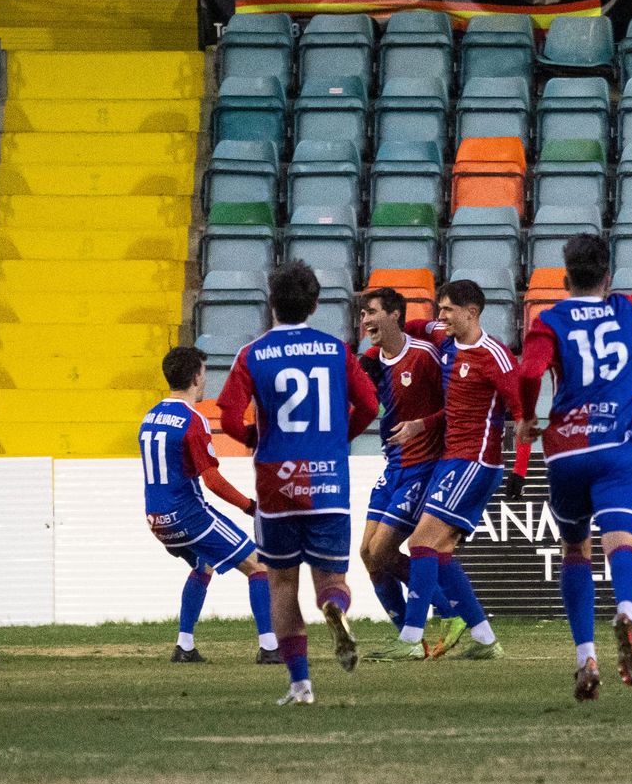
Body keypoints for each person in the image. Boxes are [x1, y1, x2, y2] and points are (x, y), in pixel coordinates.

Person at [516, 201, 632, 700]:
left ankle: (585, 657)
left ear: (566, 276)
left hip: (565, 454)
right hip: (616, 449)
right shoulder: (629, 310)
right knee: (622, 545)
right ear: (607, 275)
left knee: (575, 549)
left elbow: (529, 373)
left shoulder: (549, 320)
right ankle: (627, 612)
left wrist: (527, 418)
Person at [218, 260, 379, 704]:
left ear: (272, 303)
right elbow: (369, 405)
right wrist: (335, 439)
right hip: (329, 481)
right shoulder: (336, 351)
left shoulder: (252, 354)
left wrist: (256, 437)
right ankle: (335, 608)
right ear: (314, 304)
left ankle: (300, 684)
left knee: (281, 583)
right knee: (332, 579)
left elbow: (229, 417)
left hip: (276, 483)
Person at [367, 279, 517, 661]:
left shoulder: (495, 356)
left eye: (448, 309)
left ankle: (411, 639)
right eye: (440, 309)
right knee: (441, 551)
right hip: (451, 457)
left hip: (476, 460)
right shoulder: (444, 340)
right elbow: (417, 328)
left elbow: (523, 409)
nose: (441, 316)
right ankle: (485, 640)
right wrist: (420, 425)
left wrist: (521, 468)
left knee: (420, 543)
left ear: (472, 312)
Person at [139, 345, 279, 665]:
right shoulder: (193, 420)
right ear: (196, 377)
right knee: (259, 565)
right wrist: (250, 506)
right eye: (203, 370)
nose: (205, 376)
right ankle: (270, 647)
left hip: (156, 518)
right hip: (188, 515)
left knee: (203, 564)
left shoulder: (150, 417)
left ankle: (184, 645)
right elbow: (212, 481)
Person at [355, 288, 466, 657]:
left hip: (423, 465)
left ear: (395, 315)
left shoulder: (424, 356)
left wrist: (421, 426)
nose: (365, 320)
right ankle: (410, 640)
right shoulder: (370, 362)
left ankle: (450, 610)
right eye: (362, 314)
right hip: (394, 465)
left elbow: (455, 407)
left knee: (385, 551)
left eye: (372, 312)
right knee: (367, 555)